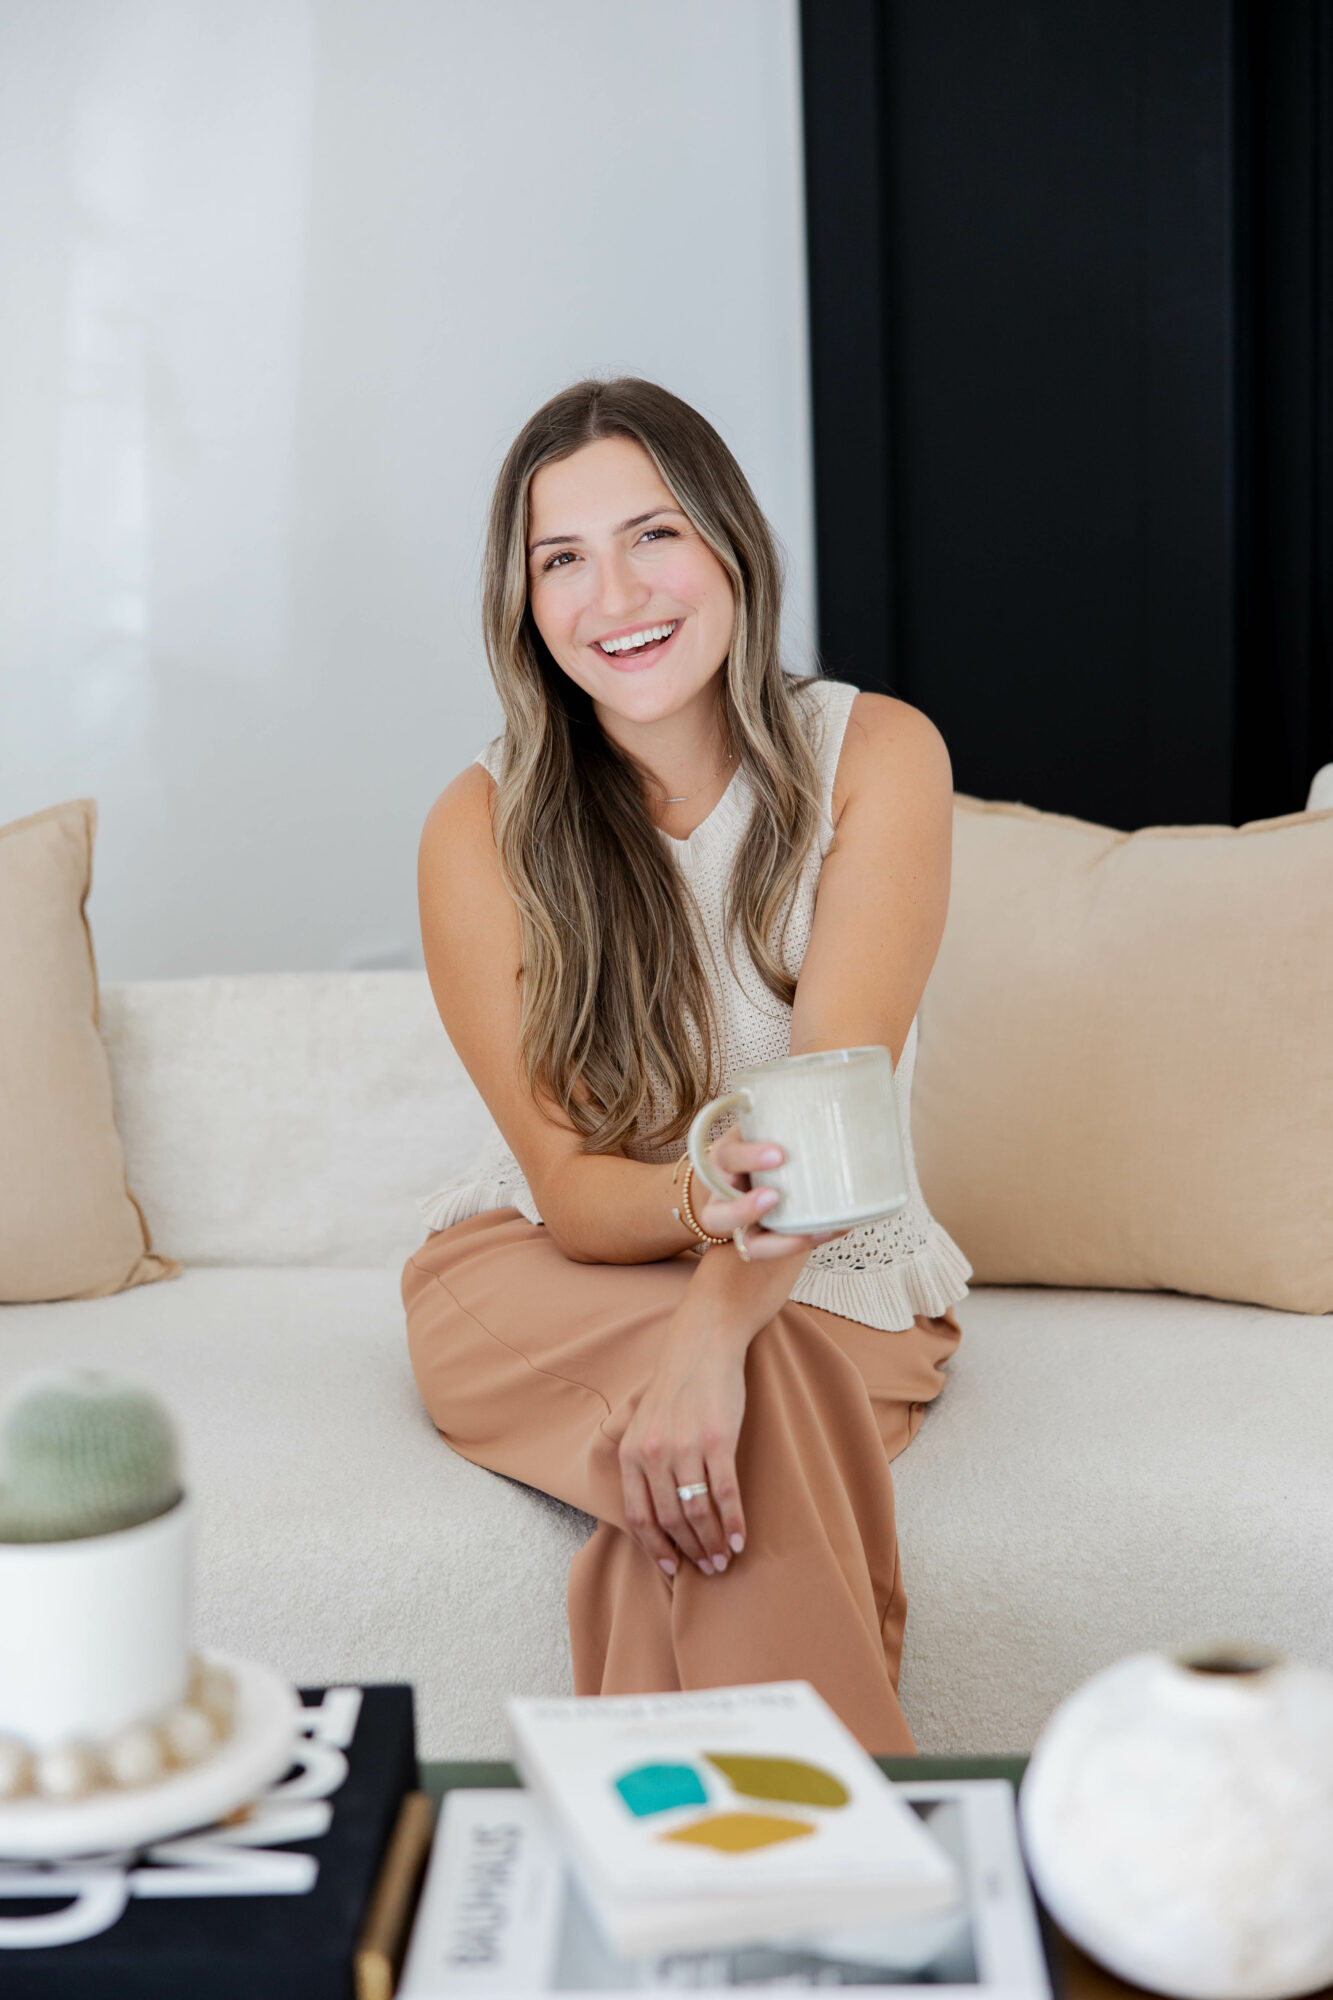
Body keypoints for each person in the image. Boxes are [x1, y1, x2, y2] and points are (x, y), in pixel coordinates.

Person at [403, 377, 971, 1753]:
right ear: (525, 606)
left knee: (735, 1432)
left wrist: (710, 1340)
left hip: (834, 1281)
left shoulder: (874, 754)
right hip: (548, 1273)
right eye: (562, 559)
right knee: (739, 1408)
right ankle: (860, 1862)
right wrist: (698, 1218)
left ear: (729, 543)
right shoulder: (480, 826)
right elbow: (569, 1195)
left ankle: (711, 1870)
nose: (615, 596)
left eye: (652, 534)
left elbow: (822, 1141)